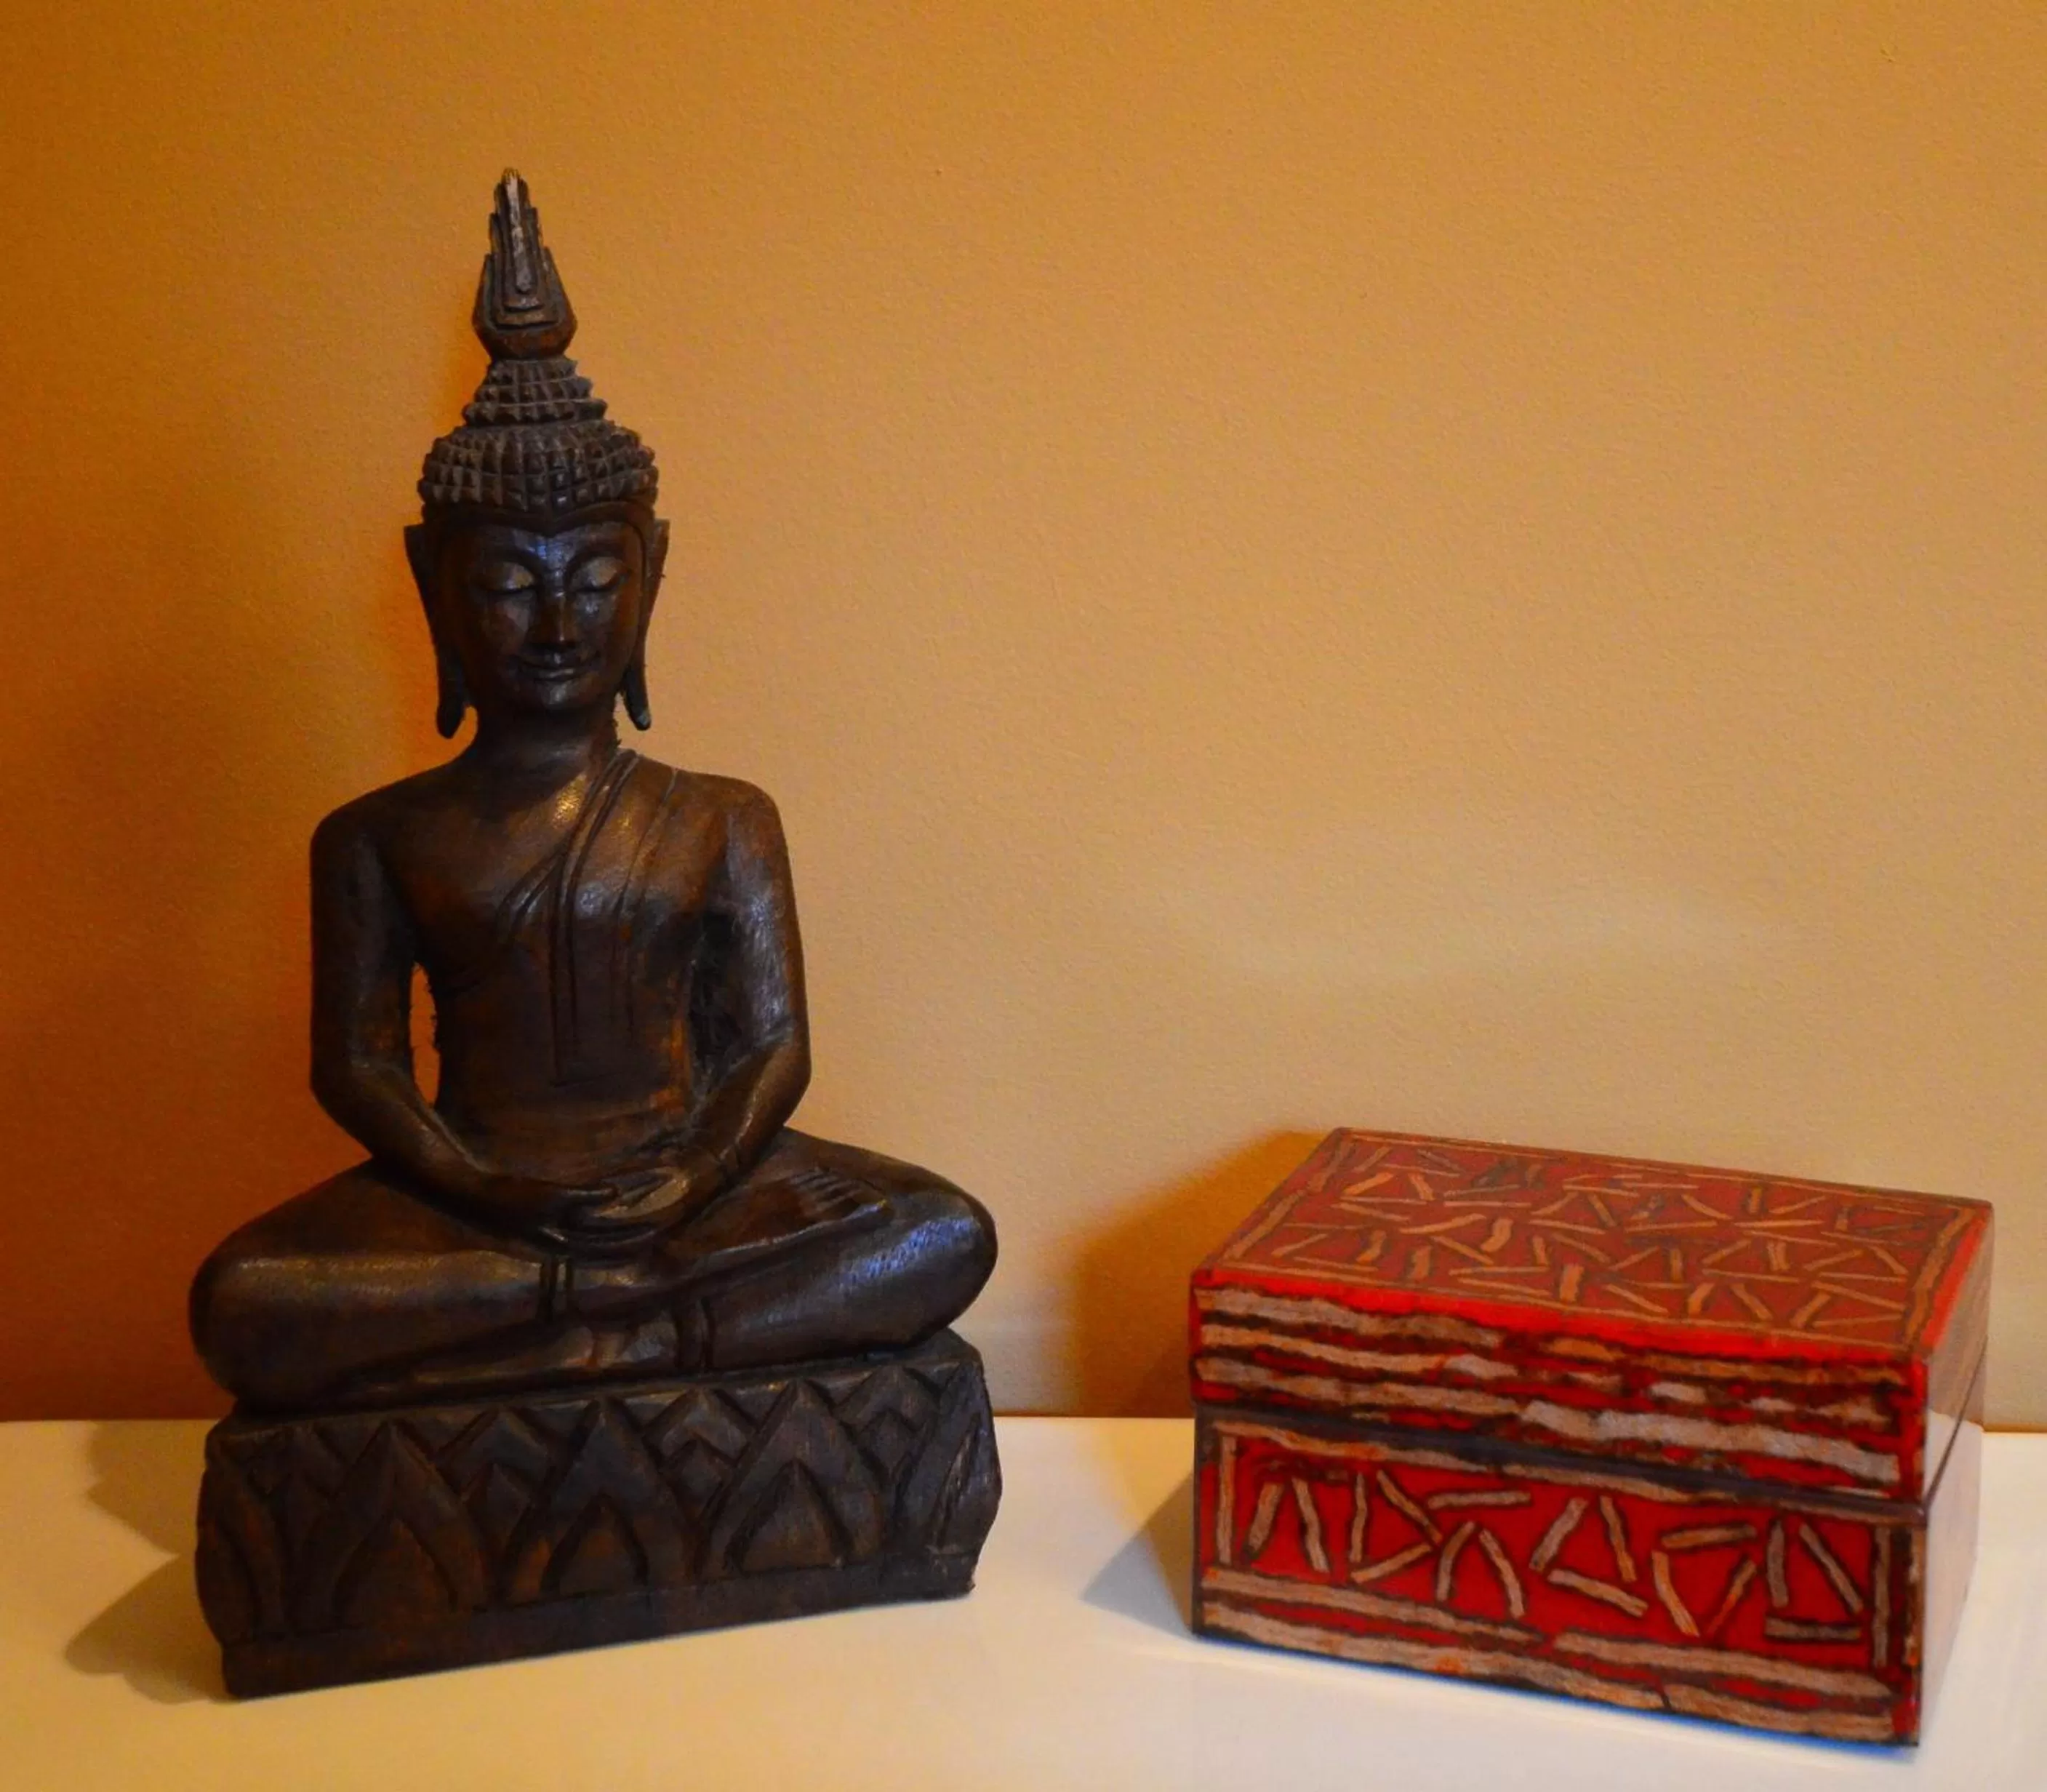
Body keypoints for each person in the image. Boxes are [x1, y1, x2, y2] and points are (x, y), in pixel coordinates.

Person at [190, 173, 995, 1412]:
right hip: (475, 1203)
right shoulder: (378, 836)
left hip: (697, 1193)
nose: (558, 621)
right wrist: (486, 1190)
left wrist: (694, 1179)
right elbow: (359, 1067)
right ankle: (625, 1328)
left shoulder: (722, 816)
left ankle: (579, 1335)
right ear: (435, 589)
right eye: (510, 582)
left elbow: (772, 1046)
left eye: (597, 576)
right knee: (243, 1300)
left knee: (939, 1231)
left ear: (652, 577)